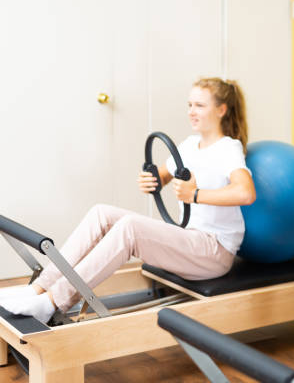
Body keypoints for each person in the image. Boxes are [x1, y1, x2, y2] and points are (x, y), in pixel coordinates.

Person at [0, 77, 256, 324]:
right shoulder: (190, 145)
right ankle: (40, 289)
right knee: (102, 213)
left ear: (222, 110)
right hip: (190, 239)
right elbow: (162, 176)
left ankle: (54, 302)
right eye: (189, 105)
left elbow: (246, 193)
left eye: (200, 105)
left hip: (213, 251)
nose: (191, 111)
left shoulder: (227, 148)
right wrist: (152, 180)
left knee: (130, 228)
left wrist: (196, 195)